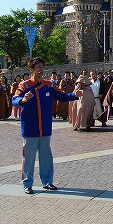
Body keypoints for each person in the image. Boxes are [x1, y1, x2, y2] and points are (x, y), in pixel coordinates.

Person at [12, 57, 80, 194]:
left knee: (46, 157)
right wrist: (23, 100)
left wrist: (74, 95)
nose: (41, 70)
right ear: (31, 70)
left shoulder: (49, 85)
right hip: (30, 128)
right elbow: (15, 99)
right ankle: (27, 184)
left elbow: (62, 96)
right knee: (29, 158)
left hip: (45, 128)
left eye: (42, 67)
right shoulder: (24, 85)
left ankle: (47, 182)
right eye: (38, 67)